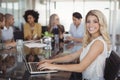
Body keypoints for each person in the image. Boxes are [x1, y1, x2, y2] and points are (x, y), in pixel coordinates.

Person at [37, 10, 111, 80]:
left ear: (101, 23)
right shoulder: (92, 40)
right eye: (88, 21)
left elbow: (81, 67)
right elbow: (72, 56)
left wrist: (53, 66)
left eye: (95, 21)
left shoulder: (98, 43)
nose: (91, 25)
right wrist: (51, 61)